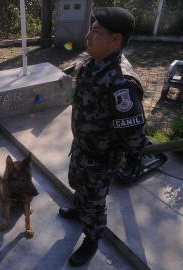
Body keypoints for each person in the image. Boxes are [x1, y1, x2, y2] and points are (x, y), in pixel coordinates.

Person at [59, 7, 147, 267]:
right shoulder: (92, 63)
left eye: (96, 31)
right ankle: (79, 210)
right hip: (82, 148)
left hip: (100, 159)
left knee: (94, 203)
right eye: (90, 28)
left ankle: (91, 238)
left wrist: (127, 159)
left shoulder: (121, 83)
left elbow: (135, 137)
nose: (88, 35)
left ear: (115, 39)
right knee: (77, 184)